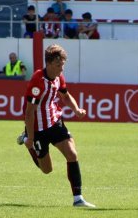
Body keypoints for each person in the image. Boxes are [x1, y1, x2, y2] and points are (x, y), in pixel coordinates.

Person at [18, 44, 95, 208]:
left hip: (55, 122)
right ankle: (28, 143)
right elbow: (29, 112)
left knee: (72, 154)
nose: (62, 68)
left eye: (63, 64)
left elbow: (65, 96)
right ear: (49, 63)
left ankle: (78, 199)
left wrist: (76, 109)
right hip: (37, 129)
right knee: (47, 170)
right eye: (59, 65)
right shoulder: (38, 81)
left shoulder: (59, 77)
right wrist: (31, 138)